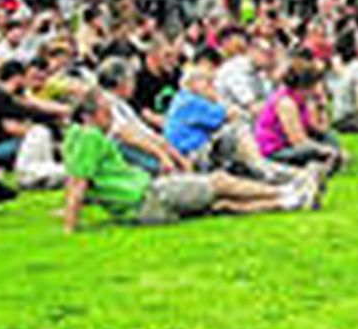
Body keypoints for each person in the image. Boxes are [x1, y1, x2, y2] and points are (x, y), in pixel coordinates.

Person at [63, 88, 313, 231]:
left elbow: (75, 182)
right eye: (106, 111)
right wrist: (69, 227)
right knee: (218, 182)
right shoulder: (89, 137)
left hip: (140, 208)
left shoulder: (74, 137)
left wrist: (68, 214)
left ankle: (290, 202)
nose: (110, 116)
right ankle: (286, 191)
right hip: (146, 196)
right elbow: (78, 184)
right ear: (89, 116)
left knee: (221, 205)